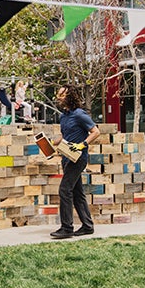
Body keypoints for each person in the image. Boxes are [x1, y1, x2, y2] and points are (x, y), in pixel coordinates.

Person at [50, 84, 100, 239]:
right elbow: (66, 135)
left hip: (77, 159)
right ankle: (87, 226)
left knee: (64, 190)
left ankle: (67, 228)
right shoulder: (64, 115)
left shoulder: (80, 114)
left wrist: (83, 144)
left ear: (70, 96)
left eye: (62, 95)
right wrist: (54, 142)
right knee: (77, 193)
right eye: (58, 95)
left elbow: (96, 131)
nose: (59, 97)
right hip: (66, 157)